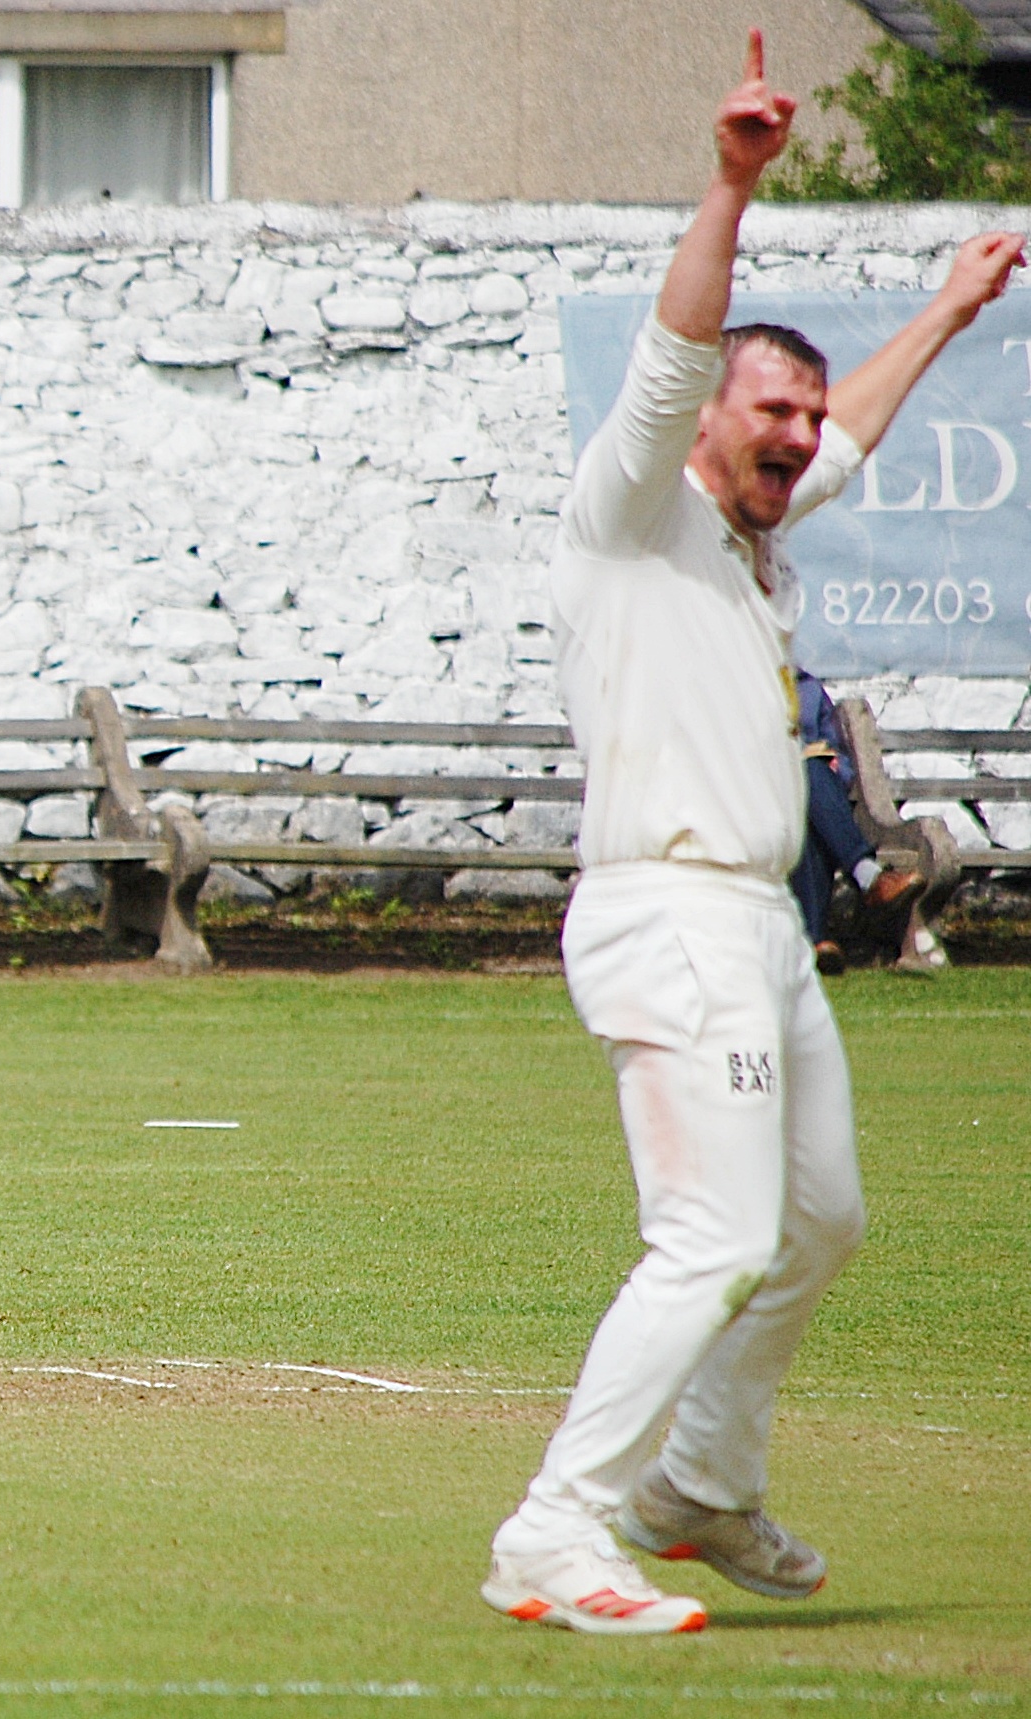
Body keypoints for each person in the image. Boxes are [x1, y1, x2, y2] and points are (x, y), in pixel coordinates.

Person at [482, 33, 1023, 1634]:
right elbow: (673, 358)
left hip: (761, 935)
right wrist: (729, 181)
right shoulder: (631, 508)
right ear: (704, 419)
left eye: (797, 414)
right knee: (712, 1236)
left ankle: (696, 1487)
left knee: (820, 1220)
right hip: (666, 915)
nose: (793, 433)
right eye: (764, 408)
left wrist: (946, 305)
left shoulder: (741, 528)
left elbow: (835, 430)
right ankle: (552, 1529)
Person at [790, 668, 920, 972]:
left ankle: (815, 942)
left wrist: (836, 765)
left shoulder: (807, 687)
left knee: (811, 791)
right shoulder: (740, 679)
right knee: (806, 774)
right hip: (764, 794)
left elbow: (841, 755)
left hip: (813, 797)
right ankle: (869, 876)